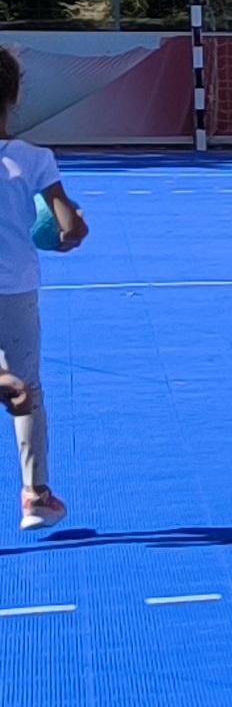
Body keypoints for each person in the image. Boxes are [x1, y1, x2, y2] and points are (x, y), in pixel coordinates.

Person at [0, 49, 87, 529]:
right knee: (27, 387)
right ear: (15, 97)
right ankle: (36, 493)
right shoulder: (34, 158)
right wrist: (71, 229)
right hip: (14, 287)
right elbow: (69, 228)